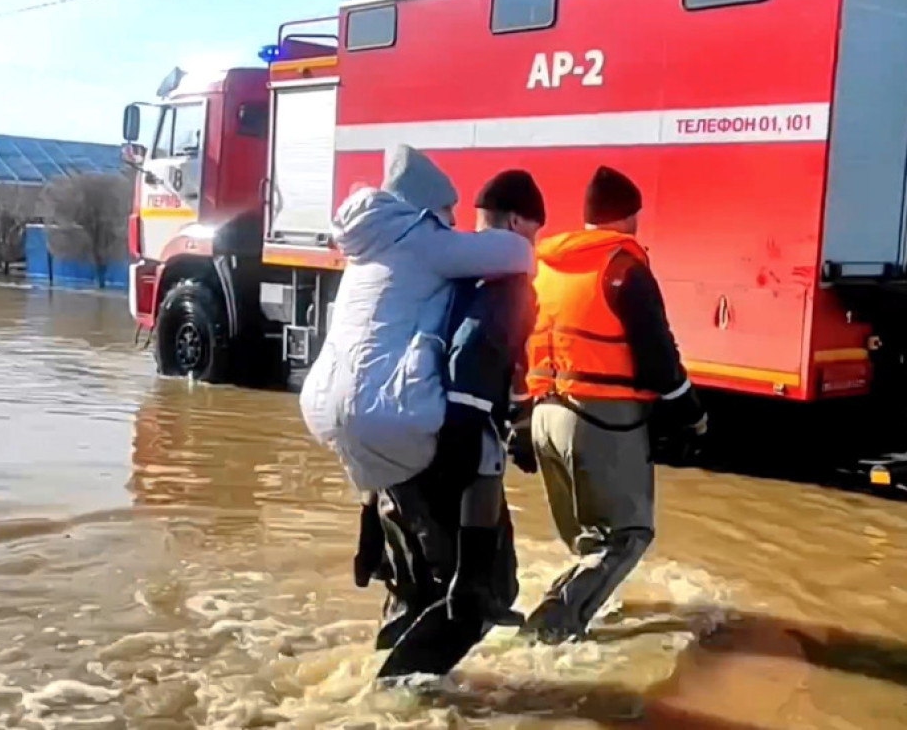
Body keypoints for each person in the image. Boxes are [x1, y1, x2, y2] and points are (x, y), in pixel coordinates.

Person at [298, 146, 535, 609]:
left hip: (328, 408)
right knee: (481, 444)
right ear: (428, 206)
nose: (452, 222)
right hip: (390, 413)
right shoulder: (420, 238)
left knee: (392, 488)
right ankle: (467, 586)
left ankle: (376, 548)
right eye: (449, 211)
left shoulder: (367, 246)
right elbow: (516, 253)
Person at [518, 166, 708, 644]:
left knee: (588, 541)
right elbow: (657, 355)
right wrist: (691, 412)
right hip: (600, 419)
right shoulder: (624, 268)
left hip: (543, 413)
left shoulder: (543, 266)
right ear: (630, 217)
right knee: (629, 535)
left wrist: (518, 419)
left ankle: (568, 616)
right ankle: (553, 626)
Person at [368, 170, 546, 661]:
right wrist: (465, 435)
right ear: (515, 222)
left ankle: (372, 672)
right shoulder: (505, 283)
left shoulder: (442, 273)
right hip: (440, 448)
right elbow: (472, 356)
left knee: (415, 588)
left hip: (388, 444)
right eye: (534, 232)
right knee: (488, 590)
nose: (534, 245)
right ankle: (401, 699)